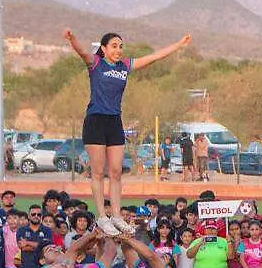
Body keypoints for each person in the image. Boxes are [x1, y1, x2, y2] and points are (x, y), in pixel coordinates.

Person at [63, 28, 191, 236]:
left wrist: (178, 45)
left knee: (115, 172)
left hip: (114, 121)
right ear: (103, 49)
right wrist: (72, 39)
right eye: (114, 46)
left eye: (121, 46)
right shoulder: (96, 64)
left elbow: (153, 57)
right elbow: (81, 52)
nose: (118, 50)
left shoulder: (125, 66)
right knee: (98, 172)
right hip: (95, 121)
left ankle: (116, 216)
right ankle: (102, 218)